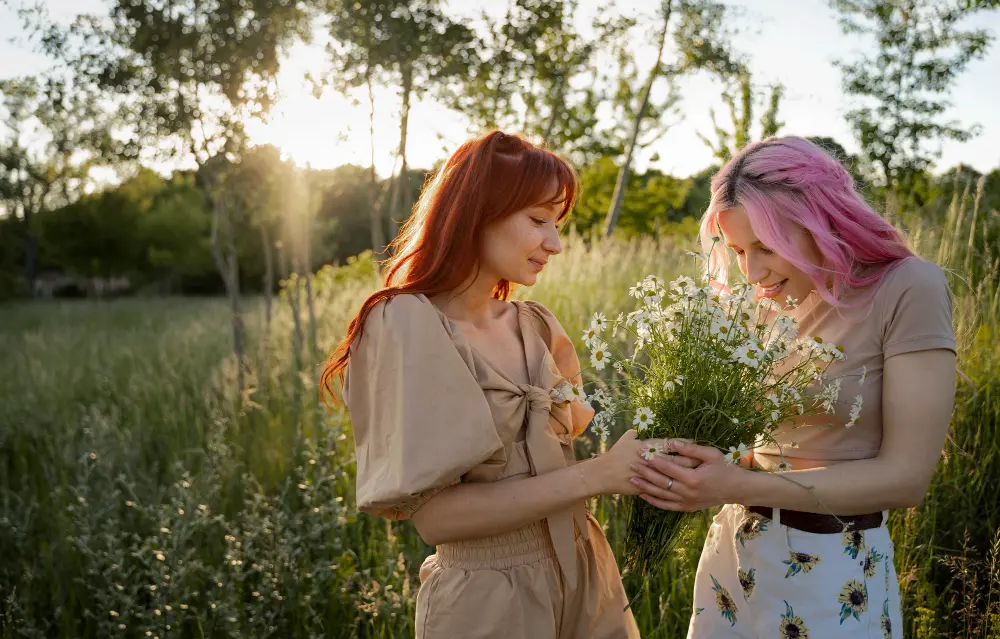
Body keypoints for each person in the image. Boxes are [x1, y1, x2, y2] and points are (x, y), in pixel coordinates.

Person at [321, 130, 660, 639]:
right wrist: (598, 476)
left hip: (588, 575)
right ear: (479, 211)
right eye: (539, 220)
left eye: (557, 223)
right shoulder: (405, 324)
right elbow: (437, 521)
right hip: (488, 599)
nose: (555, 243)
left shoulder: (537, 325)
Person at [629, 136, 957, 638]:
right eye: (738, 250)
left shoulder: (908, 288)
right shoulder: (763, 301)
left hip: (836, 568)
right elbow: (757, 448)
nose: (752, 272)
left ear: (823, 222)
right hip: (735, 556)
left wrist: (734, 484)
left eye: (766, 247)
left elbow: (906, 478)